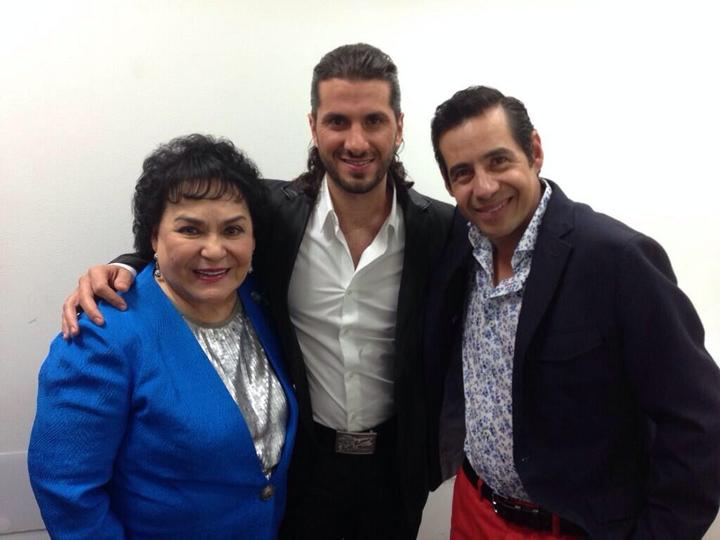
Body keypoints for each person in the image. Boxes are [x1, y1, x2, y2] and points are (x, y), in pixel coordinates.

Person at [59, 44, 454, 539]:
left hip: (396, 469)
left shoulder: (441, 229)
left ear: (398, 126)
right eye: (337, 121)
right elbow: (199, 237)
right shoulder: (272, 213)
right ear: (314, 127)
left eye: (373, 121)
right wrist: (121, 266)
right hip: (302, 466)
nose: (356, 141)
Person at [424, 86, 720, 538]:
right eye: (463, 173)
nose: (484, 187)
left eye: (498, 161)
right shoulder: (459, 250)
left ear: (535, 151)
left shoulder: (617, 260)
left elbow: (700, 421)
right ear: (449, 185)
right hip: (474, 509)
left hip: (573, 528)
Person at [29, 134, 298, 539]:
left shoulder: (262, 301)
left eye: (232, 230)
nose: (214, 250)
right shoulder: (100, 337)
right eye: (190, 229)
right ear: (154, 236)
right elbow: (67, 491)